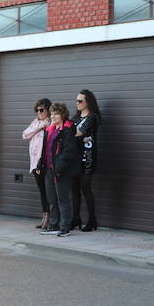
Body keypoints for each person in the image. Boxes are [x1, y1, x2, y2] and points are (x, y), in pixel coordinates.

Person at [40, 102, 81, 236]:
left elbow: (69, 152)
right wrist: (42, 162)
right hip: (50, 169)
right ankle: (54, 225)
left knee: (63, 199)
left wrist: (59, 166)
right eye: (52, 114)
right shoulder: (51, 130)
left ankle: (65, 227)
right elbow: (46, 149)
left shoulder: (67, 130)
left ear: (62, 115)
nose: (53, 116)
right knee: (52, 199)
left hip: (61, 170)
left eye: (56, 114)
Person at [70, 89, 102, 231]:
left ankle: (92, 220)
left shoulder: (92, 117)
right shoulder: (76, 117)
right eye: (76, 100)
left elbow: (78, 133)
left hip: (87, 158)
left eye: (80, 101)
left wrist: (75, 136)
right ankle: (75, 218)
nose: (77, 103)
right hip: (75, 158)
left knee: (86, 189)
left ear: (88, 102)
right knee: (74, 190)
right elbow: (68, 132)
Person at [22, 98, 52, 229]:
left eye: (42, 110)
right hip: (34, 163)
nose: (39, 112)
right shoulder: (36, 122)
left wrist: (43, 127)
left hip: (45, 162)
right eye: (37, 110)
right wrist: (39, 126)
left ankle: (51, 218)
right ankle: (45, 216)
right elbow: (25, 135)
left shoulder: (51, 123)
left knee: (48, 191)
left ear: (48, 110)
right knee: (42, 191)